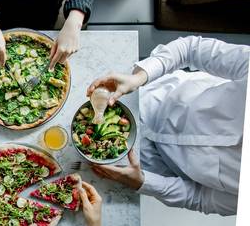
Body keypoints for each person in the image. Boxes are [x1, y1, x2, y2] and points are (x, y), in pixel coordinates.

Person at [87, 36, 250, 216]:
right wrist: (138, 78)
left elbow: (201, 198)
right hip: (142, 95)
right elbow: (189, 49)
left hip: (144, 165)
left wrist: (142, 182)